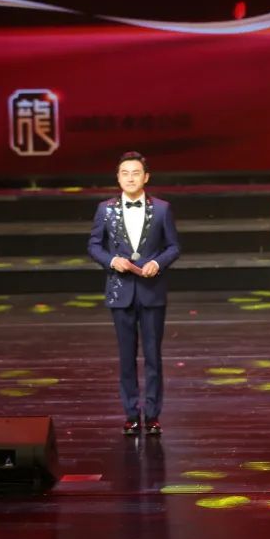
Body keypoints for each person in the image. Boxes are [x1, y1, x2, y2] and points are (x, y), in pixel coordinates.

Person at [88, 151, 181, 436]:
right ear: (118, 178)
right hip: (121, 291)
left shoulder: (162, 209)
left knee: (153, 355)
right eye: (125, 173)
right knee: (126, 356)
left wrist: (158, 263)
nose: (130, 178)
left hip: (152, 291)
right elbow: (94, 245)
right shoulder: (105, 209)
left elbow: (173, 247)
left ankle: (152, 415)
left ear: (146, 177)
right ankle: (131, 413)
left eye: (136, 173)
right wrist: (111, 260)